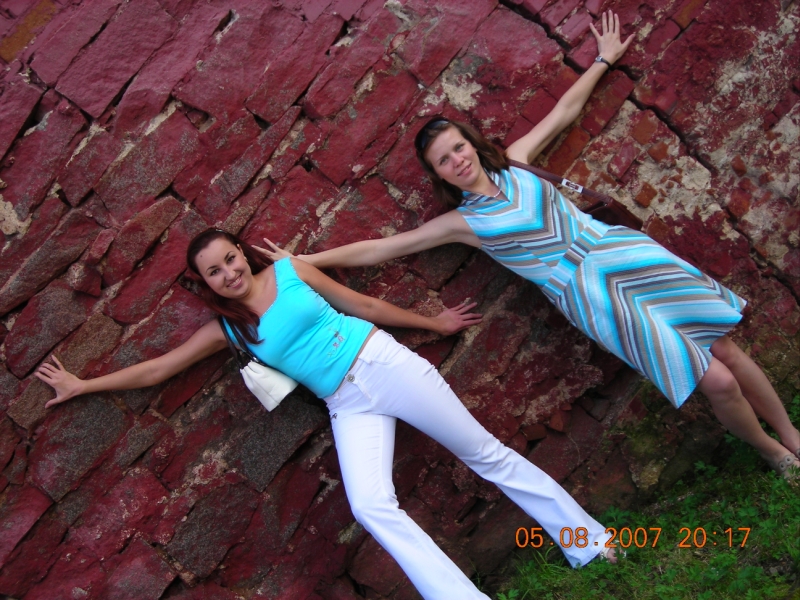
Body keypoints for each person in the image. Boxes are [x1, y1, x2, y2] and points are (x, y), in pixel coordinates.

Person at [260, 12, 800, 481]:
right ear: (438, 175)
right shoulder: (462, 222)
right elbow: (381, 248)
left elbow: (564, 112)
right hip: (588, 294)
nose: (457, 160)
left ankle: (792, 434)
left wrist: (604, 60)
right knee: (715, 378)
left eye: (458, 147)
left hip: (620, 251)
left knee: (725, 346)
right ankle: (772, 452)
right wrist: (303, 261)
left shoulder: (516, 162)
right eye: (444, 160)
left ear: (472, 143)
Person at [36, 228, 619, 600]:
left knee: (486, 455)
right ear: (206, 282)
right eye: (214, 272)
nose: (229, 273)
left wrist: (433, 323)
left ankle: (589, 541)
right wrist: (82, 383)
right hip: (347, 404)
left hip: (382, 363)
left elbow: (362, 303)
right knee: (369, 505)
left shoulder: (289, 271)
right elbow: (159, 369)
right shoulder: (229, 329)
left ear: (241, 251)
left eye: (230, 259)